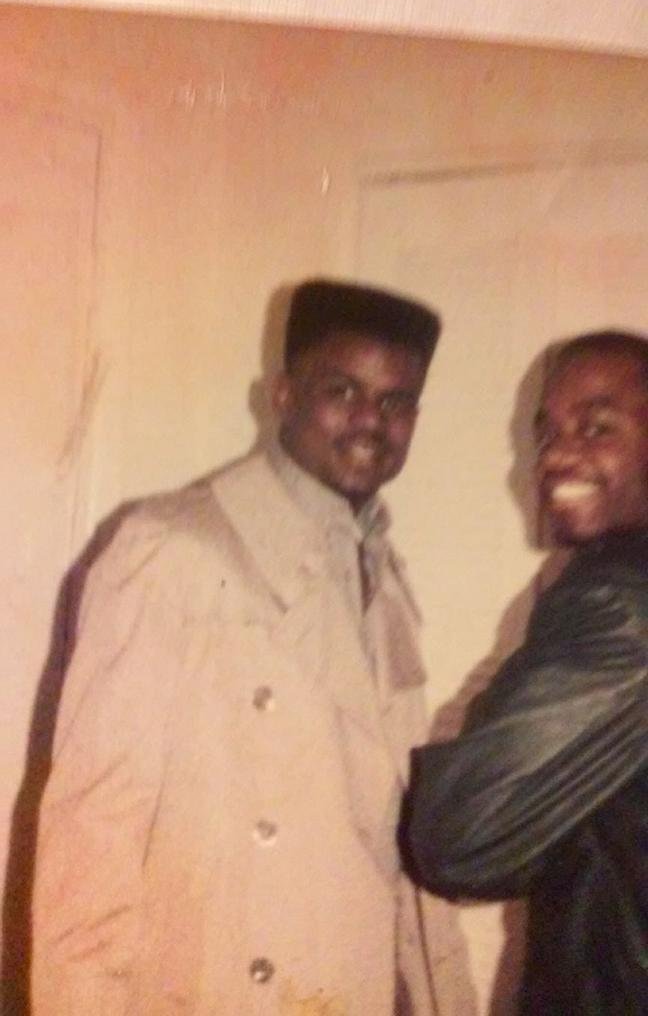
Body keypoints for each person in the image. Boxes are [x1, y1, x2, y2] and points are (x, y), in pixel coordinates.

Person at [31, 279, 474, 1015]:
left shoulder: (384, 574)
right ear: (282, 395)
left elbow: (396, 845)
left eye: (397, 402)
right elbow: (92, 841)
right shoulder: (169, 550)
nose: (371, 421)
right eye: (342, 390)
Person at [403, 330, 648, 1015]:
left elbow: (456, 841)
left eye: (597, 427)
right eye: (547, 433)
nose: (556, 456)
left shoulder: (618, 598)